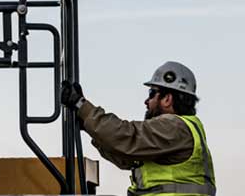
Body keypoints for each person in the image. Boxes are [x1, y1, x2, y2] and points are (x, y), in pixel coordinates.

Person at [61, 61, 216, 196]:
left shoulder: (174, 127)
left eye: (152, 93)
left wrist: (82, 106)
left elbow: (127, 137)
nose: (146, 101)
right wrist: (89, 126)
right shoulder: (178, 131)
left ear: (167, 99)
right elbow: (126, 157)